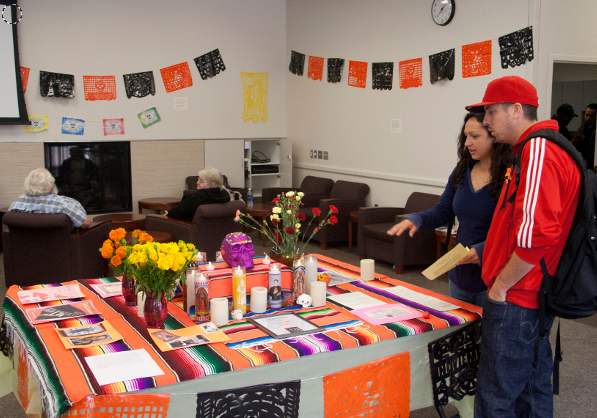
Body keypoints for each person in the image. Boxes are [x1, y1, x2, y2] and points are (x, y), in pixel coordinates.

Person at [466, 75, 580, 417]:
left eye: (490, 112)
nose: (485, 121)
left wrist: (500, 287)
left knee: (496, 399)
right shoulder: (540, 149)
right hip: (533, 297)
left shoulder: (538, 151)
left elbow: (537, 236)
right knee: (531, 393)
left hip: (517, 297)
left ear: (516, 110)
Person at [386, 113, 513, 307]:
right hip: (460, 276)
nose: (467, 143)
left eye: (475, 136)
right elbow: (443, 211)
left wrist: (482, 250)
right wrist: (416, 219)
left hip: (494, 279)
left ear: (494, 136)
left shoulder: (511, 176)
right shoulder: (462, 170)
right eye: (466, 137)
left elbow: (515, 229)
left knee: (489, 337)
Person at [9, 168, 91, 228]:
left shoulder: (17, 202)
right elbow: (85, 223)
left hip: (25, 248)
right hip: (59, 248)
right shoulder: (64, 204)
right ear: (51, 186)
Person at [166, 167, 242, 222]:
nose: (197, 182)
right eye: (198, 179)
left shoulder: (196, 198)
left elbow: (179, 214)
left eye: (201, 181)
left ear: (212, 185)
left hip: (191, 231)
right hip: (220, 233)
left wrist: (169, 213)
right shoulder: (225, 196)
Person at [571, 103, 597, 168]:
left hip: (592, 164)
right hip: (581, 163)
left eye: (591, 116)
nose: (588, 118)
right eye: (587, 115)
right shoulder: (582, 128)